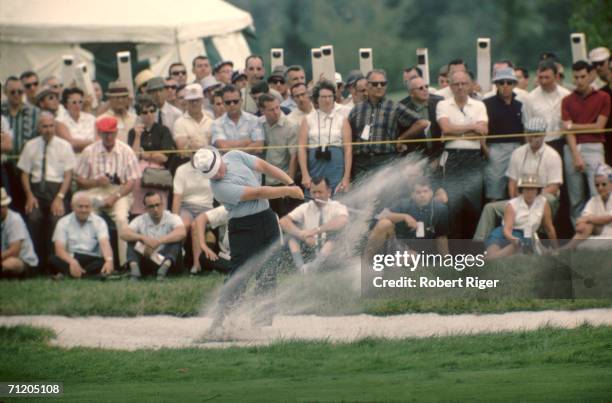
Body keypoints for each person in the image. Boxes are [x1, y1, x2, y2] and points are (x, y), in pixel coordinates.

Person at [192, 147, 304, 330]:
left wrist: (290, 183)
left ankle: (258, 324)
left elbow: (264, 166)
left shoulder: (234, 156)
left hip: (267, 219)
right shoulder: (218, 188)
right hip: (242, 227)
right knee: (238, 276)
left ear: (220, 158)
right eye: (213, 174)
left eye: (218, 169)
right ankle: (219, 322)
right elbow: (257, 193)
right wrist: (288, 191)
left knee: (268, 272)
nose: (218, 174)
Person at [473, 117, 563, 241]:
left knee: (548, 199)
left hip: (543, 198)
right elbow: (512, 182)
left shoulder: (552, 155)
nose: (533, 138)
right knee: (490, 208)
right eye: (529, 134)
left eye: (536, 135)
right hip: (520, 198)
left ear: (543, 134)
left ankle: (533, 242)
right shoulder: (518, 152)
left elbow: (554, 187)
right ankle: (477, 246)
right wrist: (516, 201)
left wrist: (532, 196)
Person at [75, 116, 141, 267]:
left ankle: (126, 263)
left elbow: (131, 182)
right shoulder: (89, 151)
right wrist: (95, 181)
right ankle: (90, 262)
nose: (109, 136)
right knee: (88, 216)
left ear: (117, 132)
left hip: (119, 191)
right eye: (105, 133)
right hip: (94, 190)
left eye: (111, 133)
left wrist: (115, 196)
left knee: (121, 219)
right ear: (99, 133)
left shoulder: (126, 150)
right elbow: (78, 179)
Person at [18, 112, 75, 271]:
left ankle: (54, 265)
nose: (48, 129)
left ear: (55, 127)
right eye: (45, 126)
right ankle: (33, 264)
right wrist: (29, 196)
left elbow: (68, 174)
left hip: (56, 191)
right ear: (39, 128)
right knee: (33, 218)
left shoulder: (64, 146)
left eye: (51, 126)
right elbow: (24, 173)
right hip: (36, 192)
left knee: (57, 220)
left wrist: (60, 197)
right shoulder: (31, 145)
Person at [436, 70, 488, 239]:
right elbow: (446, 129)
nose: (460, 87)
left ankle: (473, 254)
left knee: (474, 206)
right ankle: (455, 256)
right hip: (452, 158)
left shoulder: (479, 105)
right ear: (450, 86)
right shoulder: (443, 105)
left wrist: (454, 132)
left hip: (473, 158)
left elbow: (483, 132)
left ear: (471, 85)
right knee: (453, 207)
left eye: (464, 83)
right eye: (456, 84)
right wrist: (472, 126)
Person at [349, 69, 428, 178]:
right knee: (362, 195)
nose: (379, 86)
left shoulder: (394, 107)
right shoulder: (356, 109)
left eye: (383, 83)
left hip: (385, 160)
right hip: (361, 162)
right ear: (367, 85)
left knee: (385, 195)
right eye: (375, 84)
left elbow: (422, 123)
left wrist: (401, 139)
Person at [562, 60, 610, 224]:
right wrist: (576, 156)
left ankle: (601, 235)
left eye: (583, 76)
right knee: (575, 199)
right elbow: (568, 132)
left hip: (594, 147)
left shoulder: (603, 97)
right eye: (576, 77)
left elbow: (599, 127)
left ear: (591, 75)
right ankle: (579, 238)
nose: (579, 81)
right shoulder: (567, 100)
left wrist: (573, 126)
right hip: (572, 149)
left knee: (598, 193)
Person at [365, 178, 450, 257]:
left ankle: (393, 266)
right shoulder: (404, 204)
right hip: (396, 243)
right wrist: (404, 216)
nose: (422, 195)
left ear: (431, 193)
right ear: (412, 195)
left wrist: (446, 260)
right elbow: (382, 215)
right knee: (384, 223)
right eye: (418, 192)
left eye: (425, 191)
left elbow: (441, 237)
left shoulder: (440, 209)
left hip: (419, 251)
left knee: (412, 257)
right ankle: (365, 262)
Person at [280, 177, 349, 273]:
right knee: (291, 236)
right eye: (314, 192)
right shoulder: (306, 207)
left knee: (335, 234)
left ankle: (316, 266)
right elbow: (283, 221)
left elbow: (343, 220)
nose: (316, 196)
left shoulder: (337, 206)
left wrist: (316, 230)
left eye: (320, 192)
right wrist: (302, 235)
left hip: (334, 257)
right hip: (312, 251)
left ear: (329, 192)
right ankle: (301, 269)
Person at [485, 174, 558, 259]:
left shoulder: (543, 203)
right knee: (492, 253)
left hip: (525, 237)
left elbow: (549, 229)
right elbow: (506, 230)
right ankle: (482, 261)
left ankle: (479, 261)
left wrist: (556, 249)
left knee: (495, 257)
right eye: (526, 189)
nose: (529, 192)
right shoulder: (512, 204)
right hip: (505, 234)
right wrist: (514, 240)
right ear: (521, 190)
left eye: (532, 189)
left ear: (537, 190)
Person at [299, 80, 352, 194]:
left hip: (336, 166)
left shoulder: (342, 119)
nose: (327, 100)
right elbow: (301, 149)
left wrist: (346, 177)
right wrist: (305, 174)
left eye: (330, 96)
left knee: (336, 200)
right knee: (314, 198)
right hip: (315, 165)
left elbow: (348, 150)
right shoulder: (308, 119)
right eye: (323, 97)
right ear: (317, 99)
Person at [127, 96, 176, 215]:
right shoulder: (133, 132)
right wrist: (138, 137)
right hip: (139, 171)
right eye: (144, 112)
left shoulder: (163, 130)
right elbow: (134, 157)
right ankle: (138, 214)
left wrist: (145, 154)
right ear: (139, 114)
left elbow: (164, 157)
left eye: (152, 111)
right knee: (136, 179)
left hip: (158, 171)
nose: (149, 114)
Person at [121, 191, 186, 280]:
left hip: (170, 260)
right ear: (146, 209)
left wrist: (159, 241)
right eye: (151, 206)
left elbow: (182, 232)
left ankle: (163, 270)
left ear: (162, 204)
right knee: (132, 240)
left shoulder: (172, 217)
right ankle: (134, 272)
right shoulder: (140, 219)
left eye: (157, 205)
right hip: (150, 257)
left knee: (176, 240)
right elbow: (124, 234)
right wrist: (143, 238)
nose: (155, 209)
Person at [50, 191, 114, 279]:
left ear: (91, 207)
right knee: (52, 260)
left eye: (87, 207)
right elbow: (59, 250)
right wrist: (72, 262)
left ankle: (68, 274)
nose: (84, 210)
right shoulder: (63, 222)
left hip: (90, 258)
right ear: (72, 207)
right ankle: (88, 275)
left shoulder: (99, 222)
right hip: (71, 258)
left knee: (102, 262)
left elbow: (105, 243)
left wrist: (109, 260)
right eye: (80, 206)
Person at [483, 68, 524, 201]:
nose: (505, 85)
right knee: (494, 191)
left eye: (509, 82)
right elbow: (481, 131)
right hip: (496, 149)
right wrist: (487, 151)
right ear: (496, 85)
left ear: (514, 84)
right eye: (501, 82)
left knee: (519, 188)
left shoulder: (521, 105)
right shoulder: (486, 104)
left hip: (518, 148)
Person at [172, 159, 215, 274]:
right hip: (186, 206)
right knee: (183, 226)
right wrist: (174, 221)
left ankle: (197, 265)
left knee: (196, 225)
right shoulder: (181, 170)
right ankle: (175, 262)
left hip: (206, 207)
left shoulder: (212, 168)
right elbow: (177, 198)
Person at [522, 60, 571, 159]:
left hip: (564, 143)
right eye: (540, 77)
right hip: (541, 144)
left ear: (556, 77)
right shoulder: (530, 98)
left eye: (547, 77)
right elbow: (526, 127)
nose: (543, 81)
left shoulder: (566, 95)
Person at [260, 94, 299, 217]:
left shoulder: (290, 126)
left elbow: (294, 157)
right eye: (271, 109)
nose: (276, 112)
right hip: (266, 181)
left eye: (278, 107)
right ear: (262, 111)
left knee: (285, 219)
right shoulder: (260, 124)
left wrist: (290, 185)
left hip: (282, 180)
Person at [564, 164, 612, 249]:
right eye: (597, 185)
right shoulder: (594, 200)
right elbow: (583, 221)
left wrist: (588, 219)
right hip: (602, 234)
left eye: (603, 184)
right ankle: (564, 251)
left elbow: (608, 218)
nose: (600, 188)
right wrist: (582, 222)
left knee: (589, 222)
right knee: (587, 225)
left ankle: (563, 251)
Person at [399, 76, 444, 159]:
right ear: (411, 93)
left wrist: (438, 158)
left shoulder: (440, 103)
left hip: (439, 156)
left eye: (426, 86)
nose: (425, 89)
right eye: (420, 88)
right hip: (416, 159)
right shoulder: (403, 109)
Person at [211, 84, 264, 154]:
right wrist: (247, 142)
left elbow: (259, 146)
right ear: (223, 103)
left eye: (235, 101)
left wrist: (235, 151)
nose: (232, 105)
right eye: (228, 102)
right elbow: (222, 146)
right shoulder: (217, 123)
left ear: (241, 101)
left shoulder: (254, 120)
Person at [1, 187, 38, 277]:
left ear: (6, 206)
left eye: (2, 207)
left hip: (23, 261)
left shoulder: (15, 219)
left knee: (9, 264)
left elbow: (14, 251)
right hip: (3, 257)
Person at [173, 83, 213, 162]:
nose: (195, 103)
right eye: (191, 100)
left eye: (197, 100)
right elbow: (183, 150)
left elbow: (215, 145)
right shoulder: (179, 123)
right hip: (189, 162)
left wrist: (191, 142)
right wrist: (206, 144)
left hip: (211, 161)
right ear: (186, 101)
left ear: (202, 100)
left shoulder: (211, 118)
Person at [194, 205, 232, 274]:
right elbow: (201, 219)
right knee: (204, 258)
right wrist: (203, 245)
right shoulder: (229, 208)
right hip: (227, 256)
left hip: (249, 257)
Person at [57, 87, 96, 152]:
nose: (77, 105)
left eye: (80, 102)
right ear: (66, 104)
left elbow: (99, 138)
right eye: (74, 102)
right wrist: (93, 143)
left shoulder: (91, 118)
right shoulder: (60, 121)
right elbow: (70, 144)